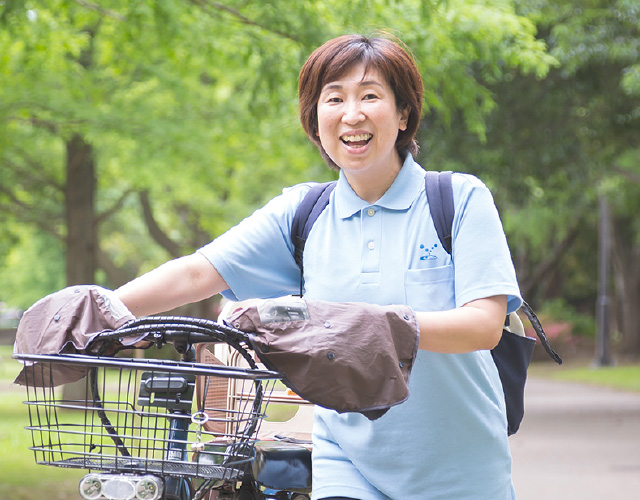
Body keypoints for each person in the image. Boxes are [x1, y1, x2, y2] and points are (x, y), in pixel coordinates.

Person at [115, 33, 522, 500]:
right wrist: (100, 304)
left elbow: (484, 326)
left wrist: (375, 325)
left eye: (370, 95)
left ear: (403, 114)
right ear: (315, 119)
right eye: (334, 98)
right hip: (347, 461)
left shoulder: (458, 199)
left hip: (461, 468)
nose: (352, 114)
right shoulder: (302, 213)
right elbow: (196, 273)